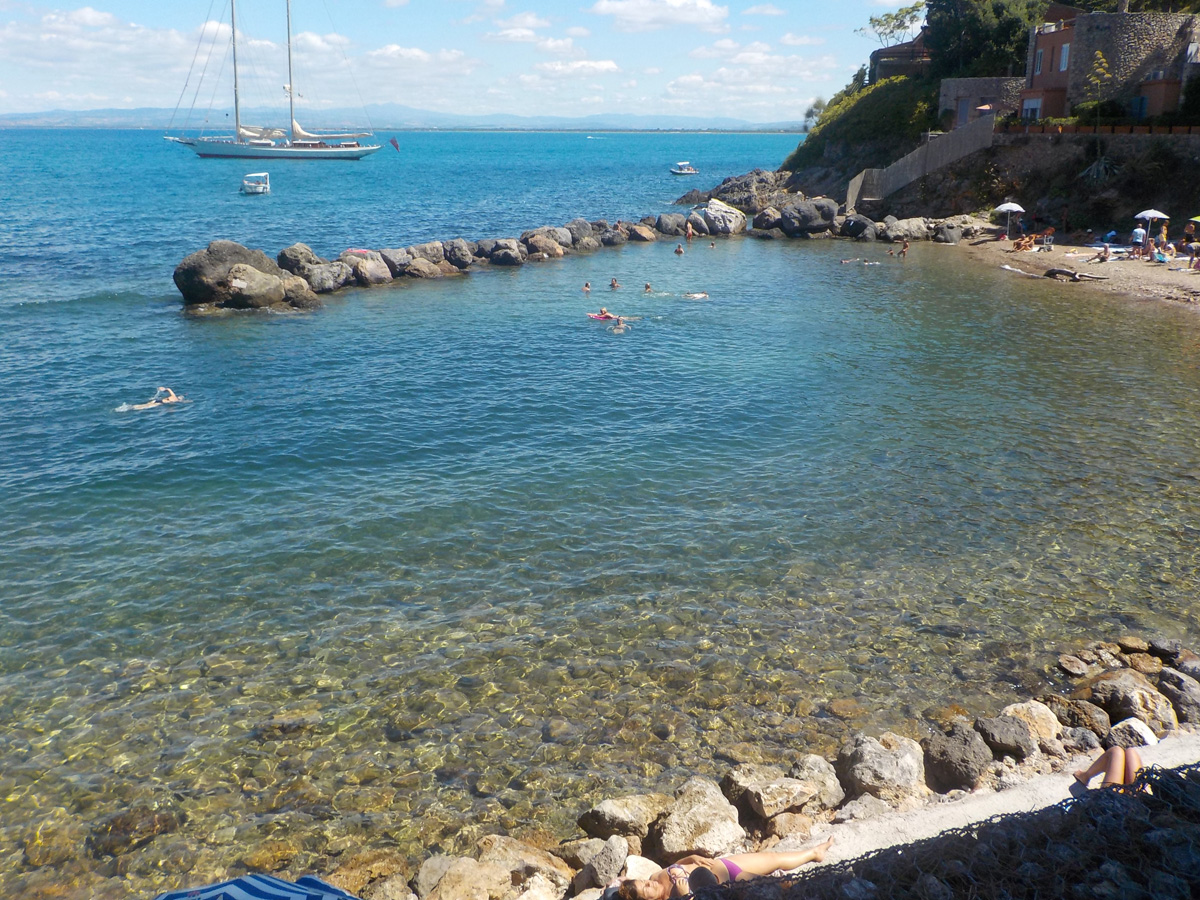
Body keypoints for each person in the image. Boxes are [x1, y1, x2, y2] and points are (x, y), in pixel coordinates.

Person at [614, 840, 833, 900]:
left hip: (724, 864)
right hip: (730, 883)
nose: (650, 883)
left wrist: (692, 857)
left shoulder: (656, 875)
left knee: (772, 858)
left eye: (644, 882)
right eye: (647, 889)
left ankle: (815, 853)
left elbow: (679, 862)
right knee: (779, 885)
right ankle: (815, 887)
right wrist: (685, 895)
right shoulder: (674, 898)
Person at [1074, 745, 1142, 788]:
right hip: (1141, 800)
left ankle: (1086, 776)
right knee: (1130, 752)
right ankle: (1086, 775)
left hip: (1115, 806)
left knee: (1116, 752)